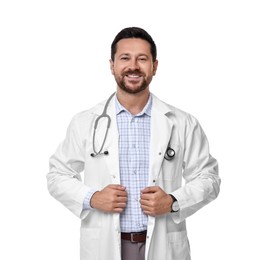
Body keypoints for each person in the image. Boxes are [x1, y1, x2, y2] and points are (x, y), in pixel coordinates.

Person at [47, 27, 221, 260]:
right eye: (125, 58)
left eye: (142, 59)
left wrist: (173, 202)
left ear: (154, 66)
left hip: (163, 246)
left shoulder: (182, 123)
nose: (133, 66)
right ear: (112, 65)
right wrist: (92, 198)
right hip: (105, 246)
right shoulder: (86, 122)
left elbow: (209, 178)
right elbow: (57, 175)